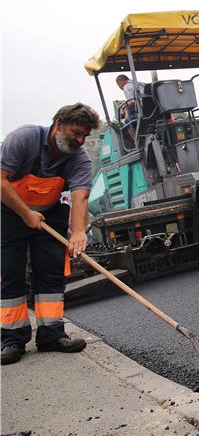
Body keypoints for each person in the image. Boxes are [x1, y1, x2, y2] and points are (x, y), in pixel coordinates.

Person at [1, 103, 100, 365]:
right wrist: (26, 214)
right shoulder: (23, 140)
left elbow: (81, 197)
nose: (79, 140)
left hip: (50, 213)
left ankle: (51, 334)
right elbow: (0, 180)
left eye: (84, 136)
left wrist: (78, 232)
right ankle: (11, 339)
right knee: (9, 272)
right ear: (58, 125)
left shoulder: (79, 158)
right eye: (75, 133)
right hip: (9, 212)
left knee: (52, 273)